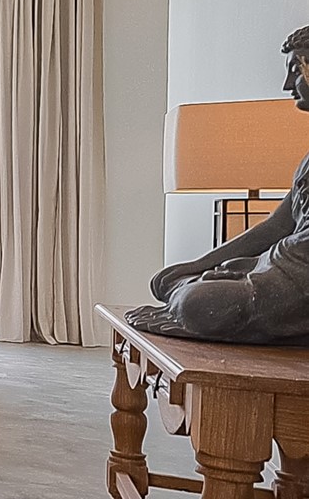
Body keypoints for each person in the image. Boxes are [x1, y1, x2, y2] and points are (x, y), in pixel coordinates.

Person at [127, 25, 309, 345]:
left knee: (200, 303)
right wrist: (202, 264)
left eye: (295, 71)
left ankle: (194, 305)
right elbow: (275, 226)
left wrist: (251, 270)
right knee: (164, 280)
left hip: (297, 281)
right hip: (282, 266)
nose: (286, 86)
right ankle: (194, 297)